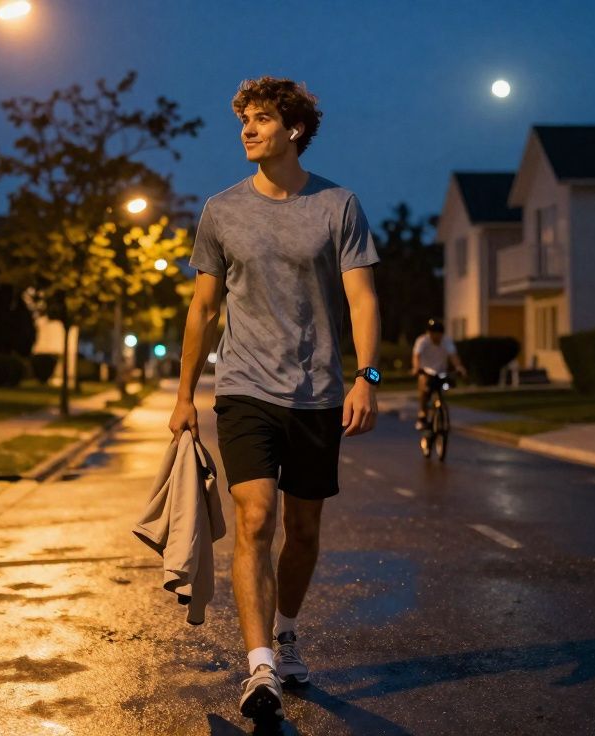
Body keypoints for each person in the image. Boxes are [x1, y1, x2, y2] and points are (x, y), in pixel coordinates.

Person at [168, 76, 382, 722]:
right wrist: (185, 396)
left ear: (294, 130)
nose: (247, 130)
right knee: (255, 519)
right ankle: (259, 667)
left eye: (261, 119)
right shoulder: (221, 211)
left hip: (316, 392)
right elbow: (203, 308)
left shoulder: (338, 205)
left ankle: (286, 631)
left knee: (304, 531)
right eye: (244, 121)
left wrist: (366, 376)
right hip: (243, 389)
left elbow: (362, 298)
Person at [411, 319, 466, 429]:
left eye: (437, 333)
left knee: (444, 387)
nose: (434, 336)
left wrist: (459, 367)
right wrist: (417, 368)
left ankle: (441, 412)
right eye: (431, 332)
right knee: (425, 390)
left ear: (441, 334)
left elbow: (453, 356)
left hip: (441, 372)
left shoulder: (447, 341)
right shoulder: (422, 341)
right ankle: (422, 415)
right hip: (426, 371)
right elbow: (416, 356)